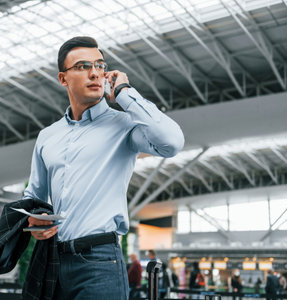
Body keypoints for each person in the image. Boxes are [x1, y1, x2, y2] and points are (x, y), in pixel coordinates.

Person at [23, 36, 184, 299]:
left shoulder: (123, 125)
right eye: (83, 66)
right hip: (53, 261)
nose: (95, 72)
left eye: (100, 65)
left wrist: (125, 93)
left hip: (100, 263)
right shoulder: (47, 136)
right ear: (63, 79)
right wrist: (34, 219)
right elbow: (34, 197)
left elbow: (172, 142)